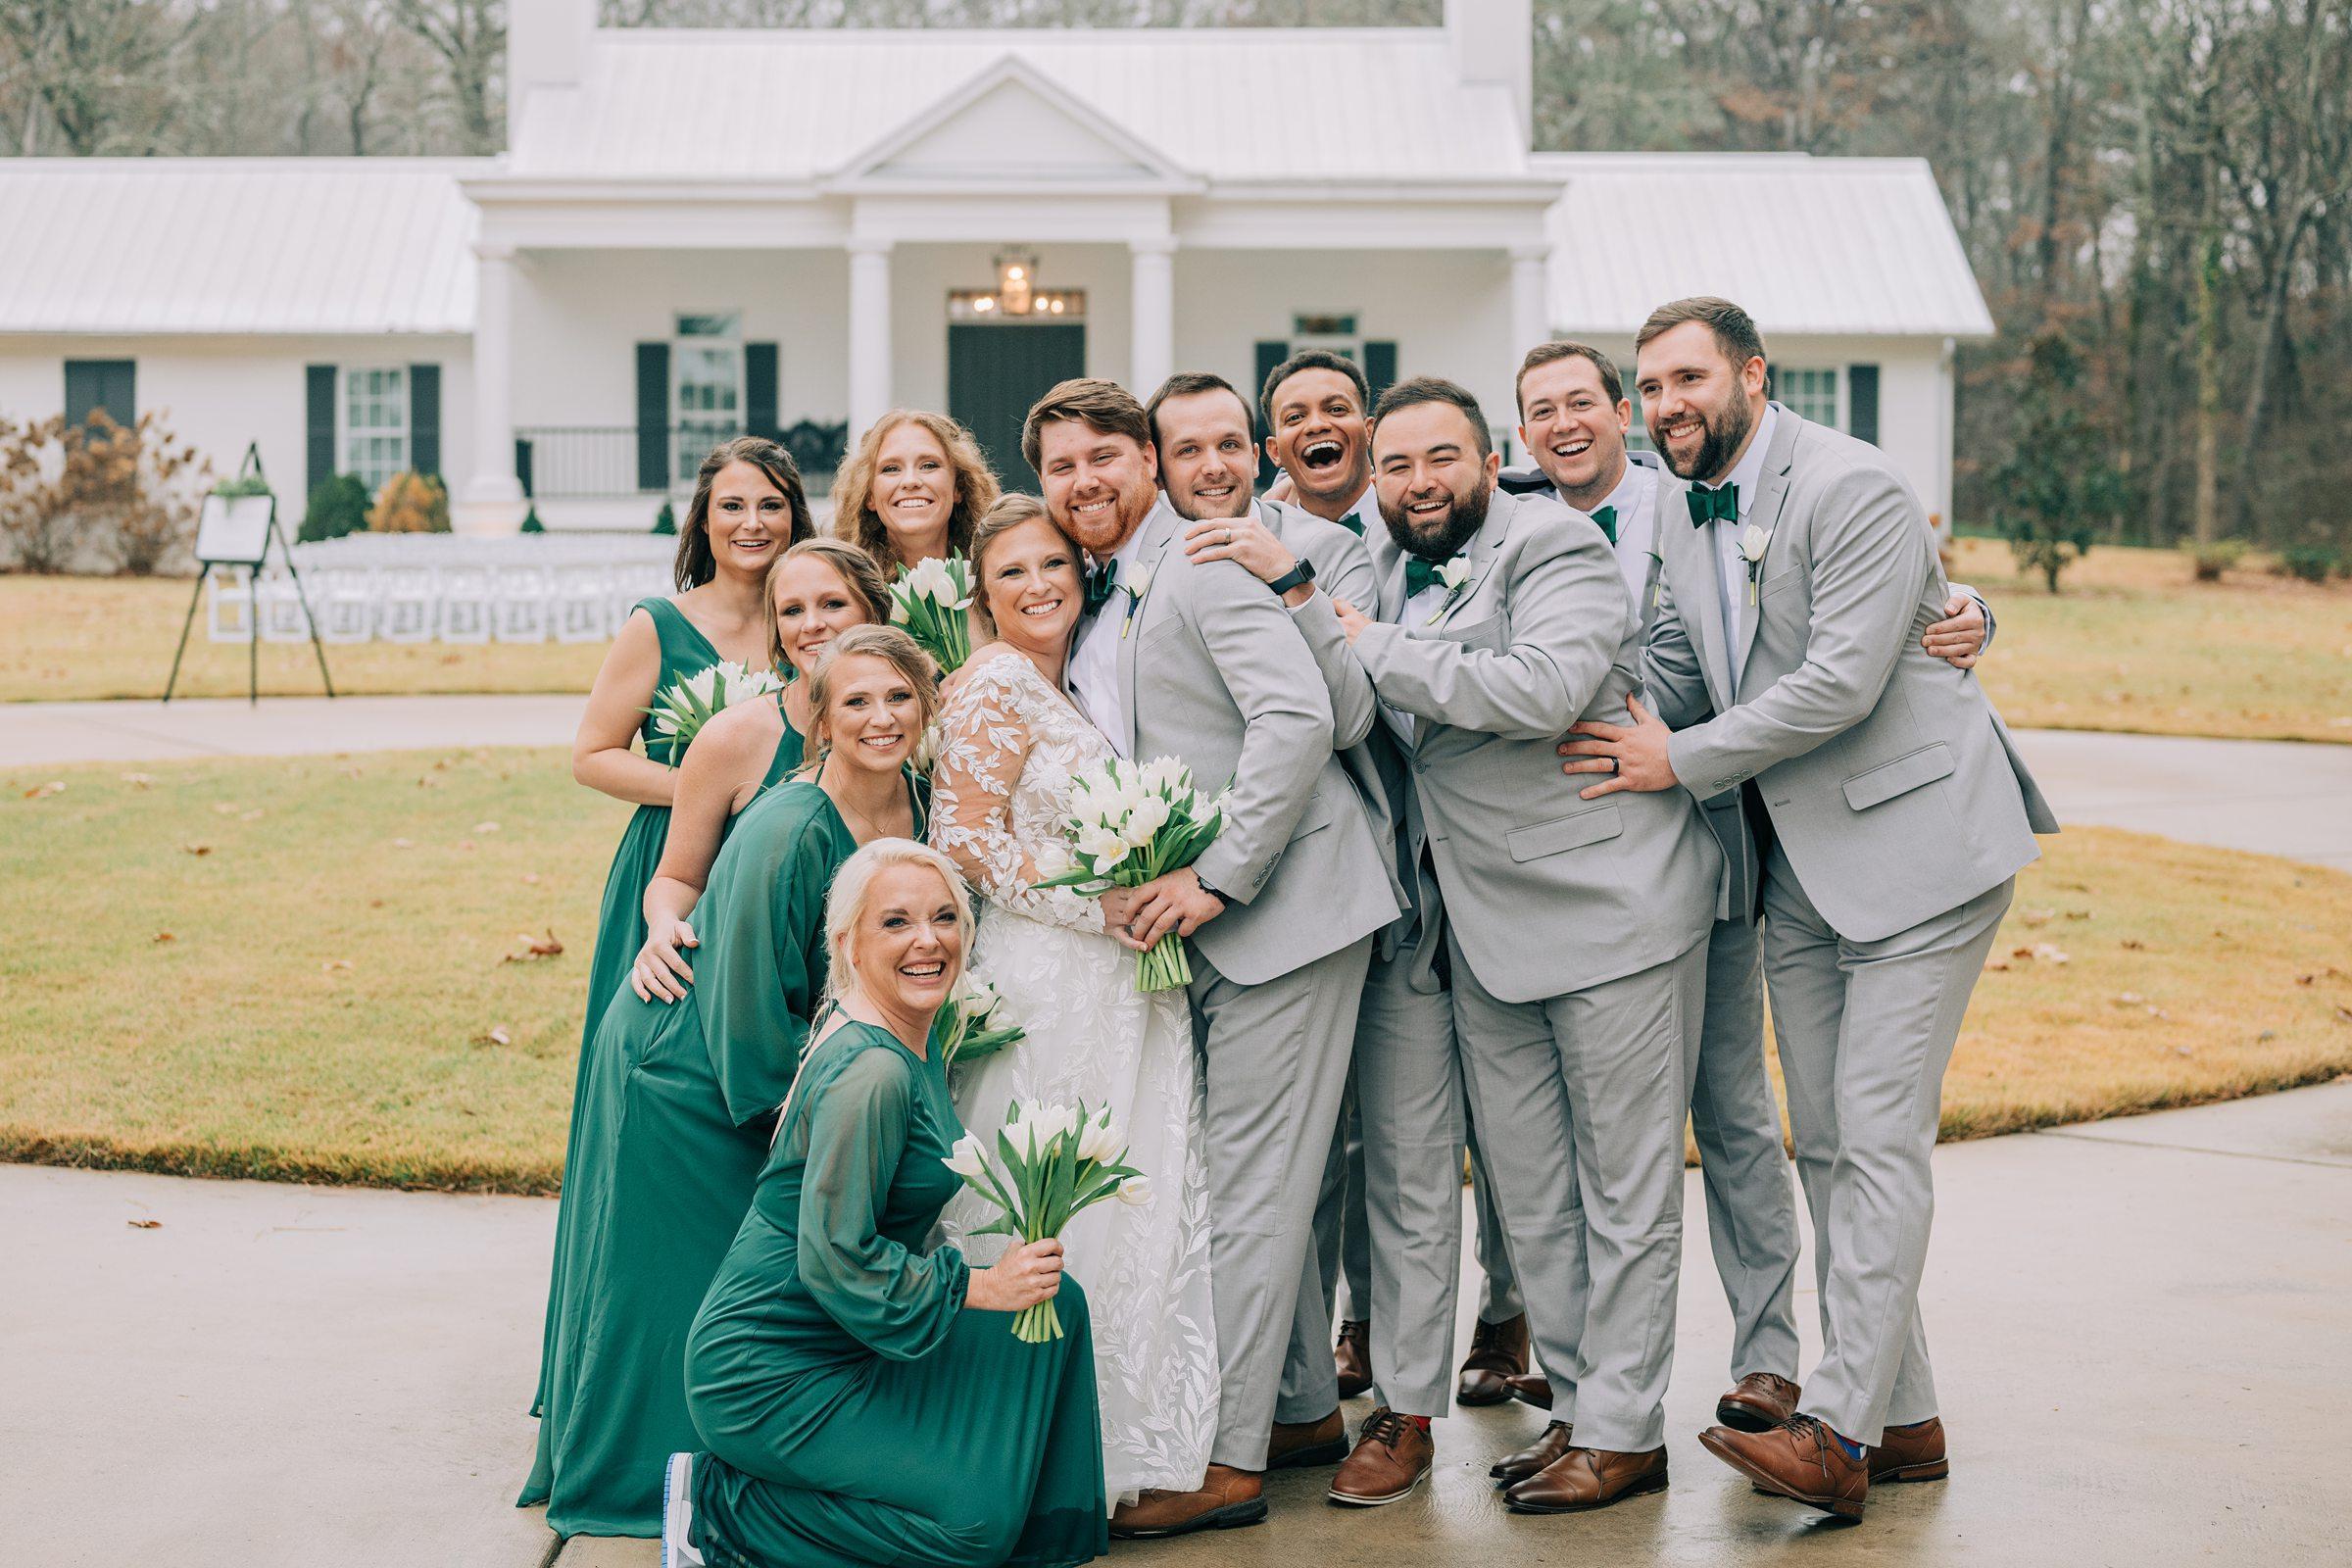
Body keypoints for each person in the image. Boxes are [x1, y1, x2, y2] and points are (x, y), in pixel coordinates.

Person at [1560, 296, 2055, 1520]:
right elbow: (1678, 663)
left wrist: (1678, 761)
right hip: (1796, 868)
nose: (1666, 404)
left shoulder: (1855, 485)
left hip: (1920, 850)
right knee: (1827, 1144)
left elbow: (1838, 681)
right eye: (1650, 386)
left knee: (1876, 1136)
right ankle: (1906, 1417)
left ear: (1753, 375)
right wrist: (1543, 686)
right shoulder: (1683, 509)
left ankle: (1835, 1432)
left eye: (1687, 378)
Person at [1331, 376, 1722, 1514]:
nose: (1418, 483)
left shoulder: (1553, 545)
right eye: (1396, 465)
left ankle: (1627, 1433)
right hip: (1479, 927)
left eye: (1441, 458)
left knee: (1627, 1189)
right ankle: (1585, 1413)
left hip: (1610, 907)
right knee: (1536, 1191)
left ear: (1491, 458)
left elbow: (1545, 687)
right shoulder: (1377, 564)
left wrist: (1368, 645)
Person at [1024, 378, 1398, 1539]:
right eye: (1059, 467)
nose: (1084, 482)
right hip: (1218, 934)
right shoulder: (1111, 584)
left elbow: (1298, 718)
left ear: (1148, 460)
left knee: (1251, 1189)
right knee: (1240, 1180)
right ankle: (1297, 1410)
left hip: (1287, 912)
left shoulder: (1200, 559)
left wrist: (1218, 876)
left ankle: (1224, 1460)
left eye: (1103, 457)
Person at [522, 628, 934, 1538]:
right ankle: (648, 1487)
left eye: (899, 697)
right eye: (856, 701)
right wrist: (814, 1123)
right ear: (817, 720)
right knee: (685, 1292)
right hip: (691, 1071)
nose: (880, 718)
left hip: (778, 1058)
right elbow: (747, 1005)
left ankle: (750, 1469)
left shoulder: (921, 798)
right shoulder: (788, 827)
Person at [665, 837, 1107, 1568]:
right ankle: (719, 1510)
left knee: (1056, 1308)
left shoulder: (910, 1033)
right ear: (848, 943)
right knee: (972, 1532)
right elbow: (836, 1255)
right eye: (896, 922)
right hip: (768, 1370)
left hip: (854, 1332)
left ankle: (1036, 1529)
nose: (927, 940)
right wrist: (981, 1286)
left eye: (944, 918)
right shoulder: (872, 1072)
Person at [928, 493, 1219, 1508]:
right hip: (1046, 979)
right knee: (1042, 1184)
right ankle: (1017, 1438)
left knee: (1132, 1190)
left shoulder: (1083, 677)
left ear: (1082, 570)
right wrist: (1102, 907)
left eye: (1052, 562)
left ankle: (1116, 1431)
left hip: (1120, 981)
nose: (1038, 584)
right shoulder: (995, 681)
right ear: (982, 593)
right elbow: (965, 842)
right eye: (1011, 571)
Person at [1260, 348, 1534, 1416]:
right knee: (1379, 1135)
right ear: (1275, 446)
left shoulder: (1460, 518)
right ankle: (1369, 1332)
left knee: (1507, 1127)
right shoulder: (1262, 534)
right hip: (1369, 878)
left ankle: (1508, 1312)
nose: (1319, 424)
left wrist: (1966, 604)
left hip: (1494, 858)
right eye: (1296, 414)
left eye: (1338, 406)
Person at [538, 436, 814, 1428]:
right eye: (732, 505)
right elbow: (591, 753)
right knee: (653, 1105)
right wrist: (711, 785)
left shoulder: (811, 618)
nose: (752, 523)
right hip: (674, 875)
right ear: (702, 520)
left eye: (770, 505)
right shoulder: (659, 625)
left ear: (795, 516)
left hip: (785, 879)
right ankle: (613, 1358)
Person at [630, 538, 892, 1005]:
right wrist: (663, 924)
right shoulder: (732, 738)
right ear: (777, 632)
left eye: (833, 604)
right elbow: (678, 878)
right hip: (748, 991)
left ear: (874, 612)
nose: (812, 625)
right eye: (792, 611)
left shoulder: (906, 730)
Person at [832, 409, 1002, 576]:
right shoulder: (844, 586)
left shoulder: (993, 581)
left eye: (928, 465)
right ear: (870, 496)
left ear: (959, 487)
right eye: (891, 469)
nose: (910, 481)